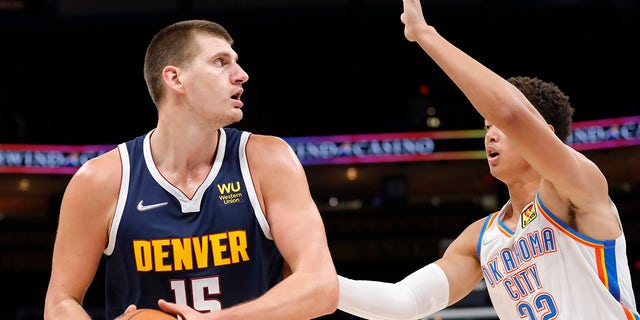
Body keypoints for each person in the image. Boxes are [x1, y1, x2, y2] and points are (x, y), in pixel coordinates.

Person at [337, 0, 639, 319]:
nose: (491, 135)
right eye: (487, 127)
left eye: (499, 127)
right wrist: (324, 283)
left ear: (544, 134)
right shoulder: (482, 238)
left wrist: (424, 33)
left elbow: (512, 113)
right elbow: (405, 301)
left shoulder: (580, 188)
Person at [44, 19, 339, 320]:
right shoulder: (102, 179)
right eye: (221, 62)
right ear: (175, 79)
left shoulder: (268, 161)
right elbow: (60, 302)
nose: (241, 75)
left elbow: (320, 286)